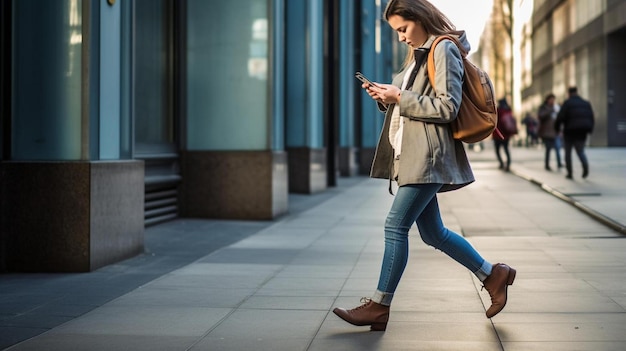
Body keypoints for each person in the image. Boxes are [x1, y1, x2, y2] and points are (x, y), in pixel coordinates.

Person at [332, 0, 516, 332]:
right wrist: (385, 97)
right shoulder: (418, 55)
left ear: (419, 19)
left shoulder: (443, 49)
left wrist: (399, 98)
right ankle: (493, 275)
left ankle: (379, 305)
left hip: (429, 156)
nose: (401, 37)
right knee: (434, 233)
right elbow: (410, 103)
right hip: (415, 154)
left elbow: (447, 107)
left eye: (403, 29)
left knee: (394, 227)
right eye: (396, 32)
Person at [555, 87, 594, 179]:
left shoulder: (567, 103)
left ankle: (570, 173)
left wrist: (557, 129)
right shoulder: (585, 103)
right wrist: (590, 130)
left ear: (569, 93)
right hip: (582, 132)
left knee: (567, 152)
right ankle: (585, 166)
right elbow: (591, 117)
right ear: (577, 92)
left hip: (569, 131)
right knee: (580, 151)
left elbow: (560, 117)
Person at [537, 93, 563, 171]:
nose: (553, 101)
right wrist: (550, 111)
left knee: (558, 147)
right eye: (551, 99)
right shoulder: (544, 108)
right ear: (548, 100)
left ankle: (559, 163)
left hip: (555, 131)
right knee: (548, 149)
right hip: (547, 132)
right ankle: (547, 164)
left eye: (553, 100)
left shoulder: (556, 108)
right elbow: (540, 116)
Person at [493, 98, 517, 171]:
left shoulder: (498, 110)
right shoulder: (508, 110)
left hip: (498, 134)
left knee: (497, 150)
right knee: (506, 149)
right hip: (506, 134)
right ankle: (508, 164)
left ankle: (501, 163)